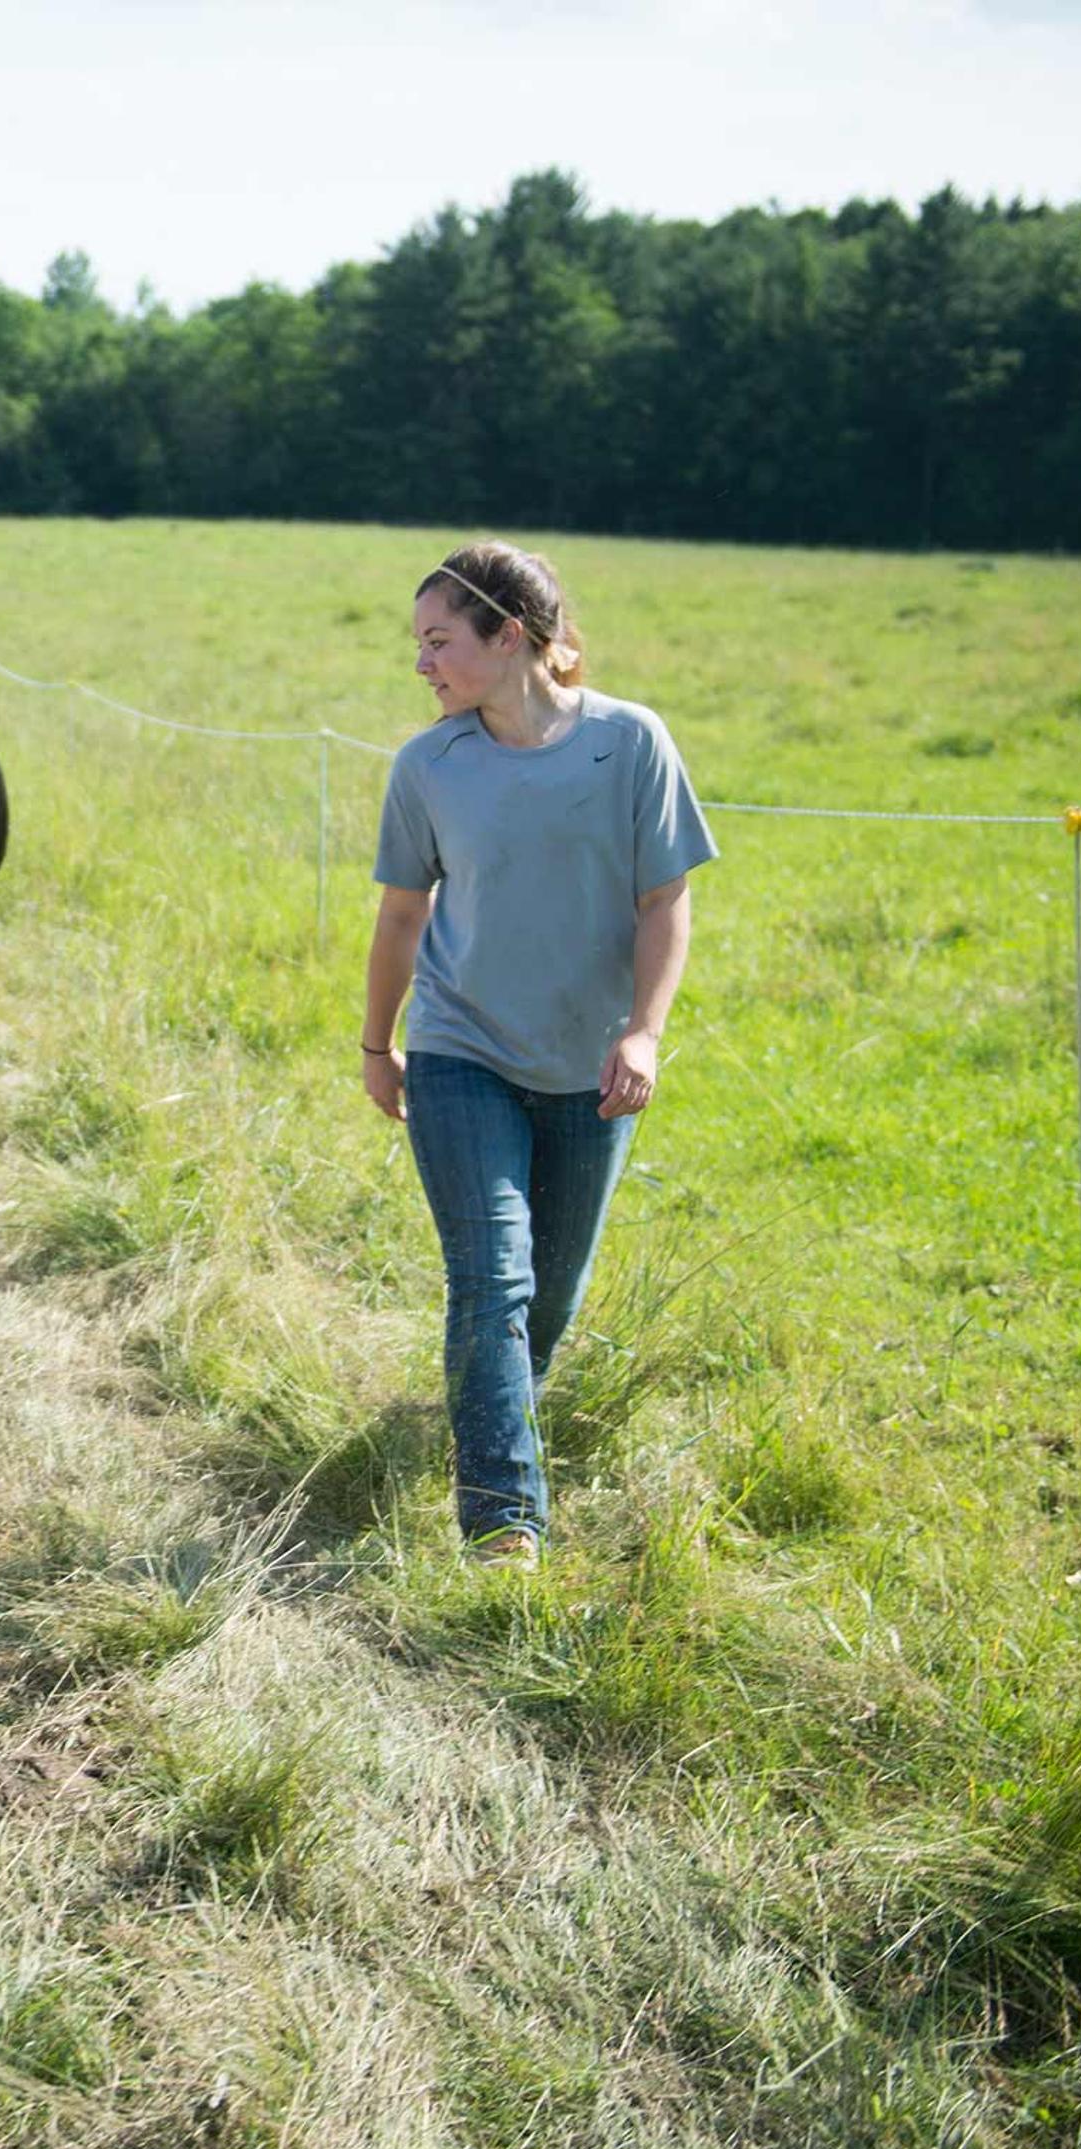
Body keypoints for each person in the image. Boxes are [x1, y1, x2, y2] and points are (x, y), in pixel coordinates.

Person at [359, 542, 716, 1569]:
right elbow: (399, 917)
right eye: (418, 644)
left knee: (546, 1299)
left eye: (440, 641)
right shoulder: (429, 766)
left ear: (508, 636)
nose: (423, 664)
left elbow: (665, 901)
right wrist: (379, 1043)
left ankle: (488, 1412)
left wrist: (643, 1029)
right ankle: (504, 1521)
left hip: (591, 1069)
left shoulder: (630, 743)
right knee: (492, 1280)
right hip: (461, 1048)